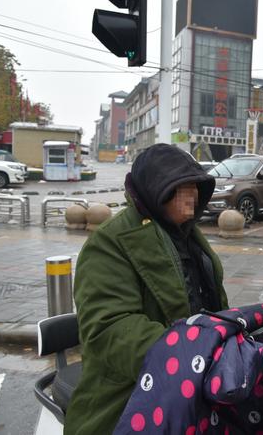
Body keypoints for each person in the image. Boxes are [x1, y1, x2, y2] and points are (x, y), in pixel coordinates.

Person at [65, 144, 228, 434]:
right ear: (156, 190)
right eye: (182, 188)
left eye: (195, 187)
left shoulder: (189, 236)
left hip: (198, 385)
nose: (192, 197)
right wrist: (188, 353)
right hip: (131, 395)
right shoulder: (110, 243)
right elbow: (109, 327)